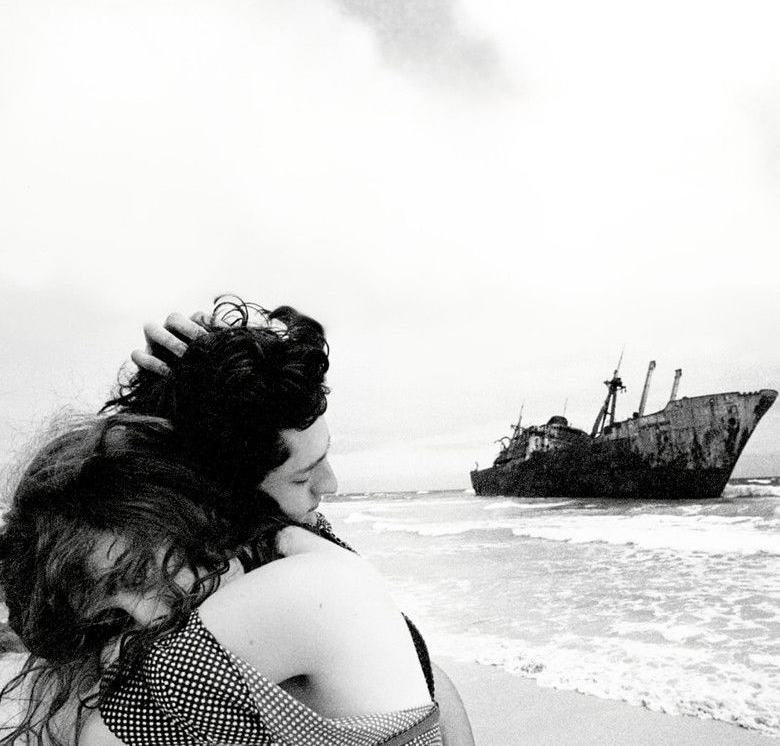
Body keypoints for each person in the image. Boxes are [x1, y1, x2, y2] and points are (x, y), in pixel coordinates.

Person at [114, 297, 473, 745]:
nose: (331, 484)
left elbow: (422, 669)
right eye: (303, 476)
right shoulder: (202, 596)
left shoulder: (297, 542)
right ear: (223, 492)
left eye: (325, 456)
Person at [0, 412, 442, 746]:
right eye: (112, 618)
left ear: (192, 512)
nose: (148, 619)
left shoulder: (305, 589)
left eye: (139, 574)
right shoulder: (315, 561)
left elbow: (99, 739)